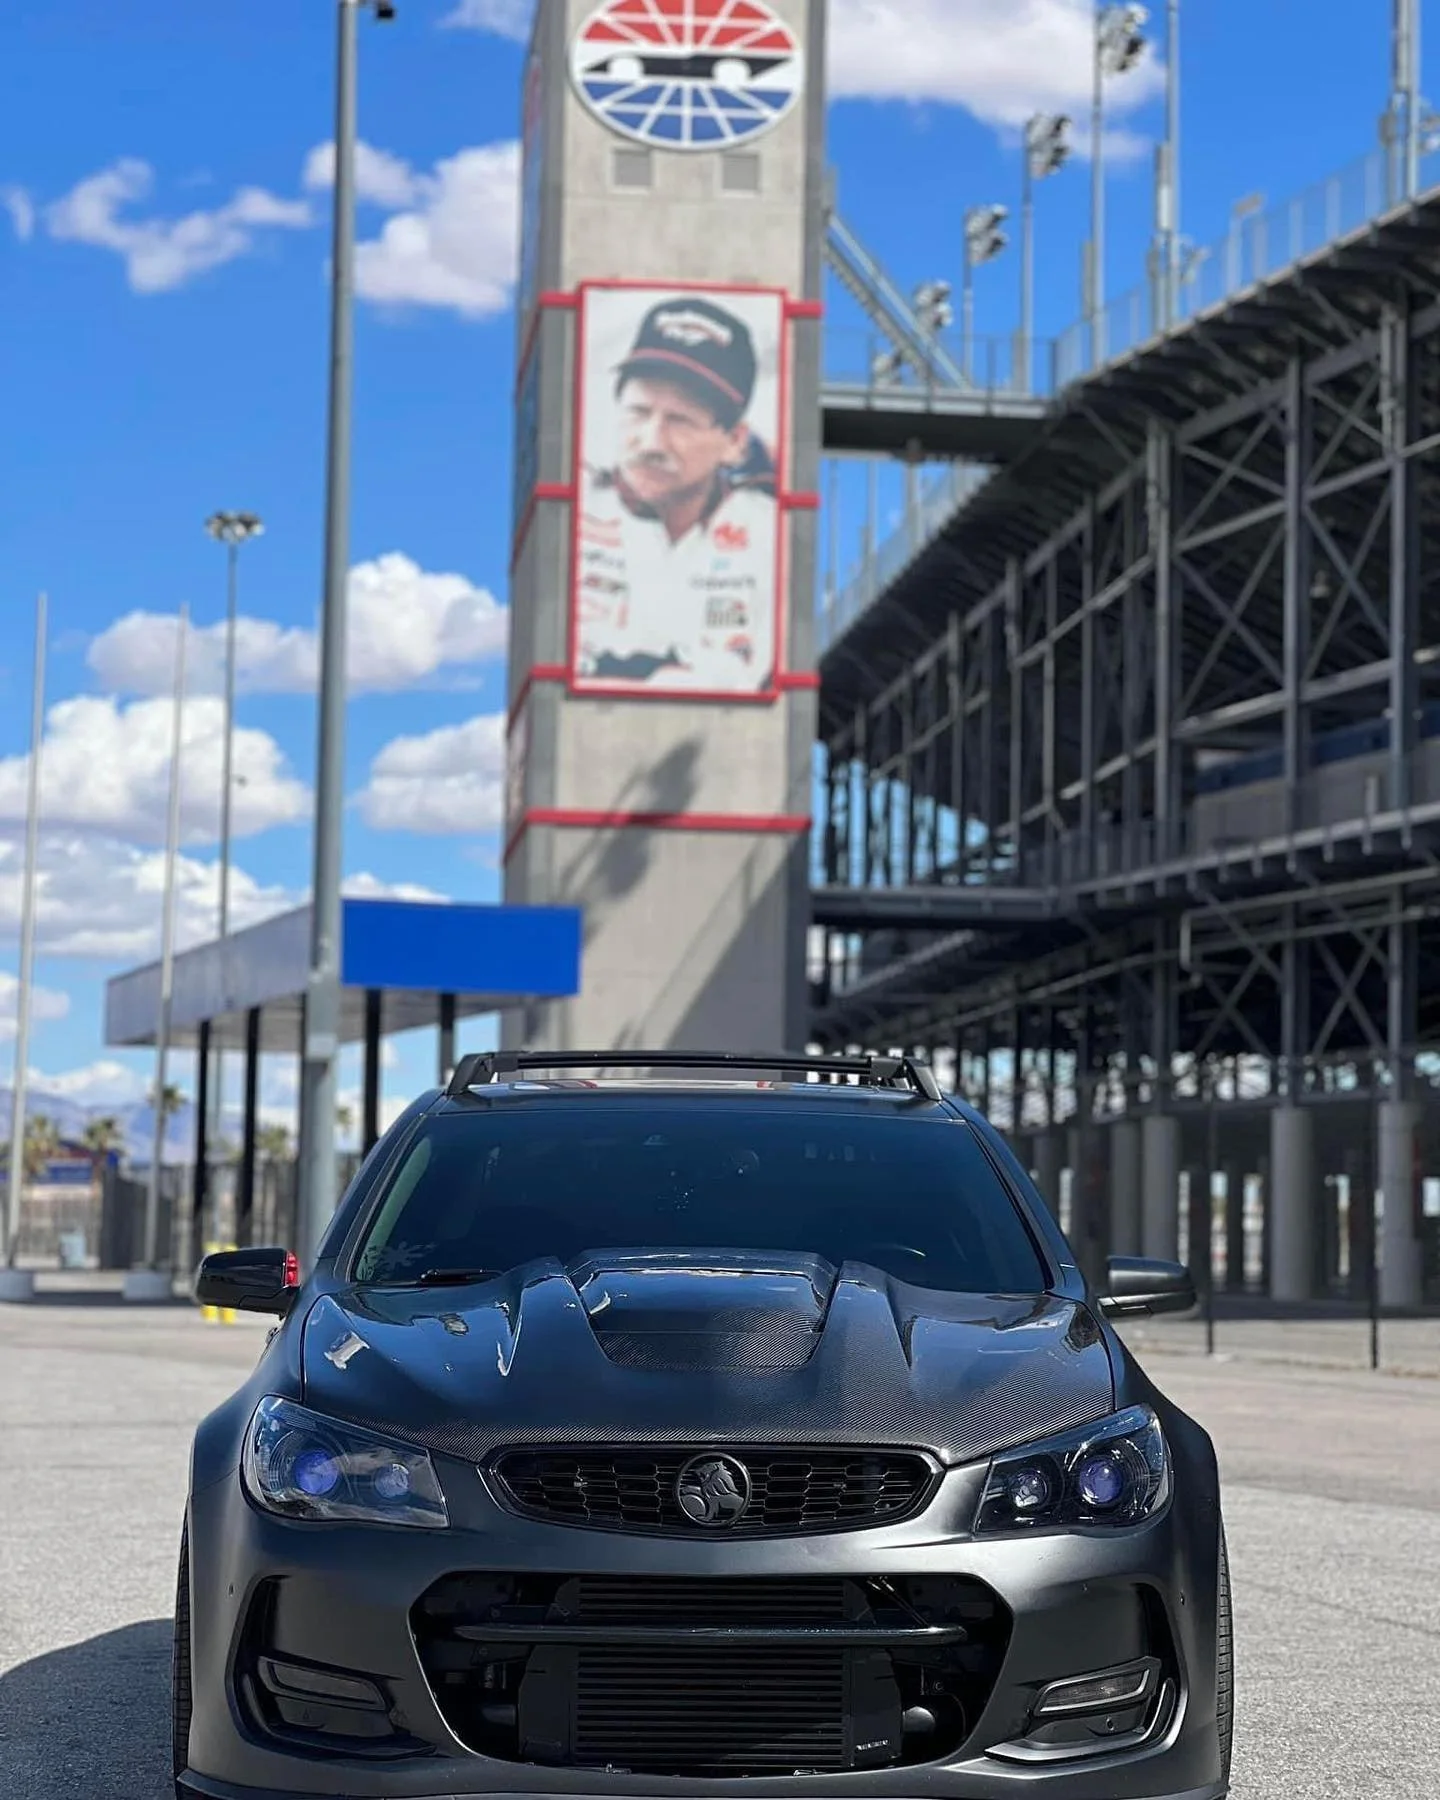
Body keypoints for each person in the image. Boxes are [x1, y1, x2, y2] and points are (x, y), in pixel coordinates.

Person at [575, 295, 778, 693]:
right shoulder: (574, 511)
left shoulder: (768, 533)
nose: (651, 441)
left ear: (735, 442)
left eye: (680, 421)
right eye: (638, 412)